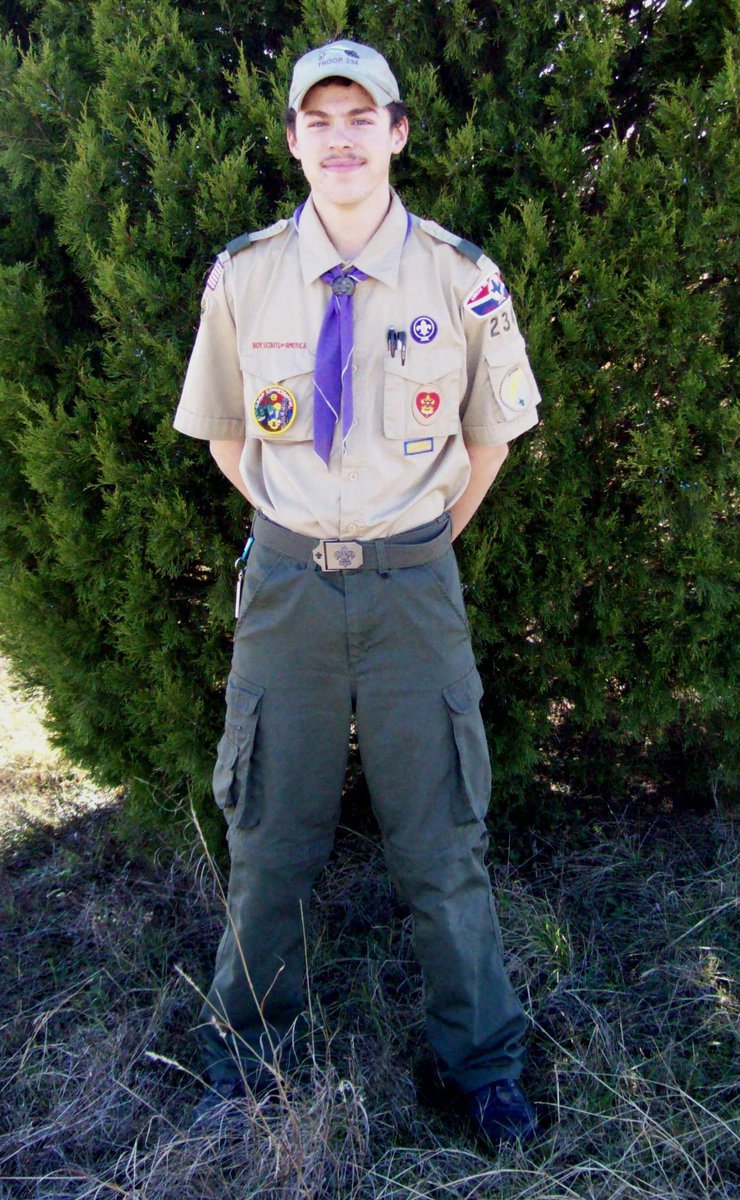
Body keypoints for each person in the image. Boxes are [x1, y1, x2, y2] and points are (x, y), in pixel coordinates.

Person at [174, 39, 542, 1144]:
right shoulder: (243, 277)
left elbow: (487, 444)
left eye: (358, 116)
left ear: (395, 133)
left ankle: (479, 1064)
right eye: (316, 119)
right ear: (291, 138)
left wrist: (405, 545)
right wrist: (304, 531)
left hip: (410, 589)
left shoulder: (456, 274)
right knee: (270, 838)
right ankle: (251, 1057)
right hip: (285, 589)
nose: (338, 138)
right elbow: (229, 439)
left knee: (441, 844)